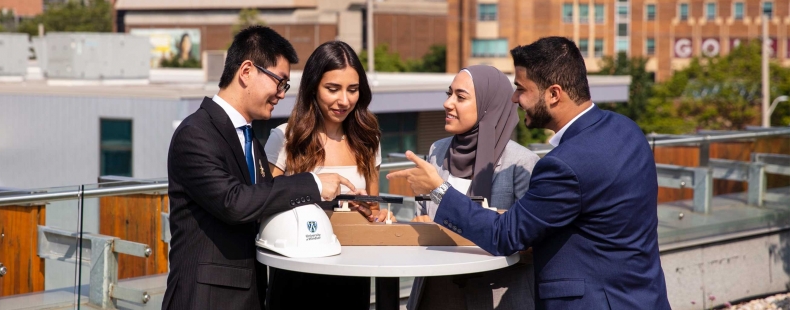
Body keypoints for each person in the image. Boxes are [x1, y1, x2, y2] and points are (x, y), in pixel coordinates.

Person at [387, 36, 670, 309]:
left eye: (522, 89)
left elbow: (505, 236)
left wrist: (438, 189)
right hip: (643, 297)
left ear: (554, 94)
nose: (514, 98)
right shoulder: (627, 130)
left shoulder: (563, 164)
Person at [162, 26, 356, 310]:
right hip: (206, 299)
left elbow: (261, 201)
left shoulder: (249, 138)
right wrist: (312, 183)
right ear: (247, 71)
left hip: (248, 295)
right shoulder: (196, 133)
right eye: (280, 82)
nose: (281, 94)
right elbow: (235, 202)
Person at [263, 40, 390, 310]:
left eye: (353, 90)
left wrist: (372, 213)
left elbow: (375, 209)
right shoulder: (285, 137)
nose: (344, 100)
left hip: (352, 273)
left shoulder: (369, 140)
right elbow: (264, 203)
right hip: (296, 274)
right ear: (312, 88)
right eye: (333, 89)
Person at [407, 65, 539, 310]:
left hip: (495, 296)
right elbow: (423, 214)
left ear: (489, 106)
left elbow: (530, 243)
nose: (448, 103)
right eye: (449, 94)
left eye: (460, 97)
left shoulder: (521, 163)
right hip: (436, 291)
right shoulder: (437, 151)